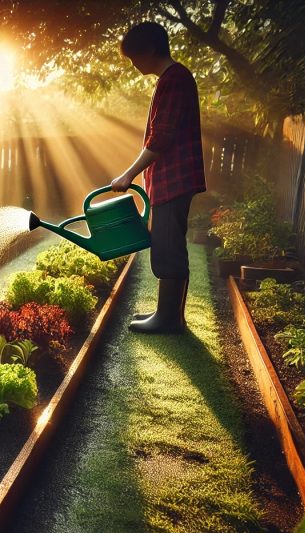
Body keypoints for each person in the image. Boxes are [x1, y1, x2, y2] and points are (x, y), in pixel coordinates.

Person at [110, 21, 206, 334]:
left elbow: (161, 138)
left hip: (174, 178)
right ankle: (171, 317)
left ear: (149, 50)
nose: (133, 63)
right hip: (169, 178)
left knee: (168, 246)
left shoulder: (175, 79)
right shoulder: (170, 79)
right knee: (167, 243)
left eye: (133, 57)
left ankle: (168, 319)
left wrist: (128, 173)